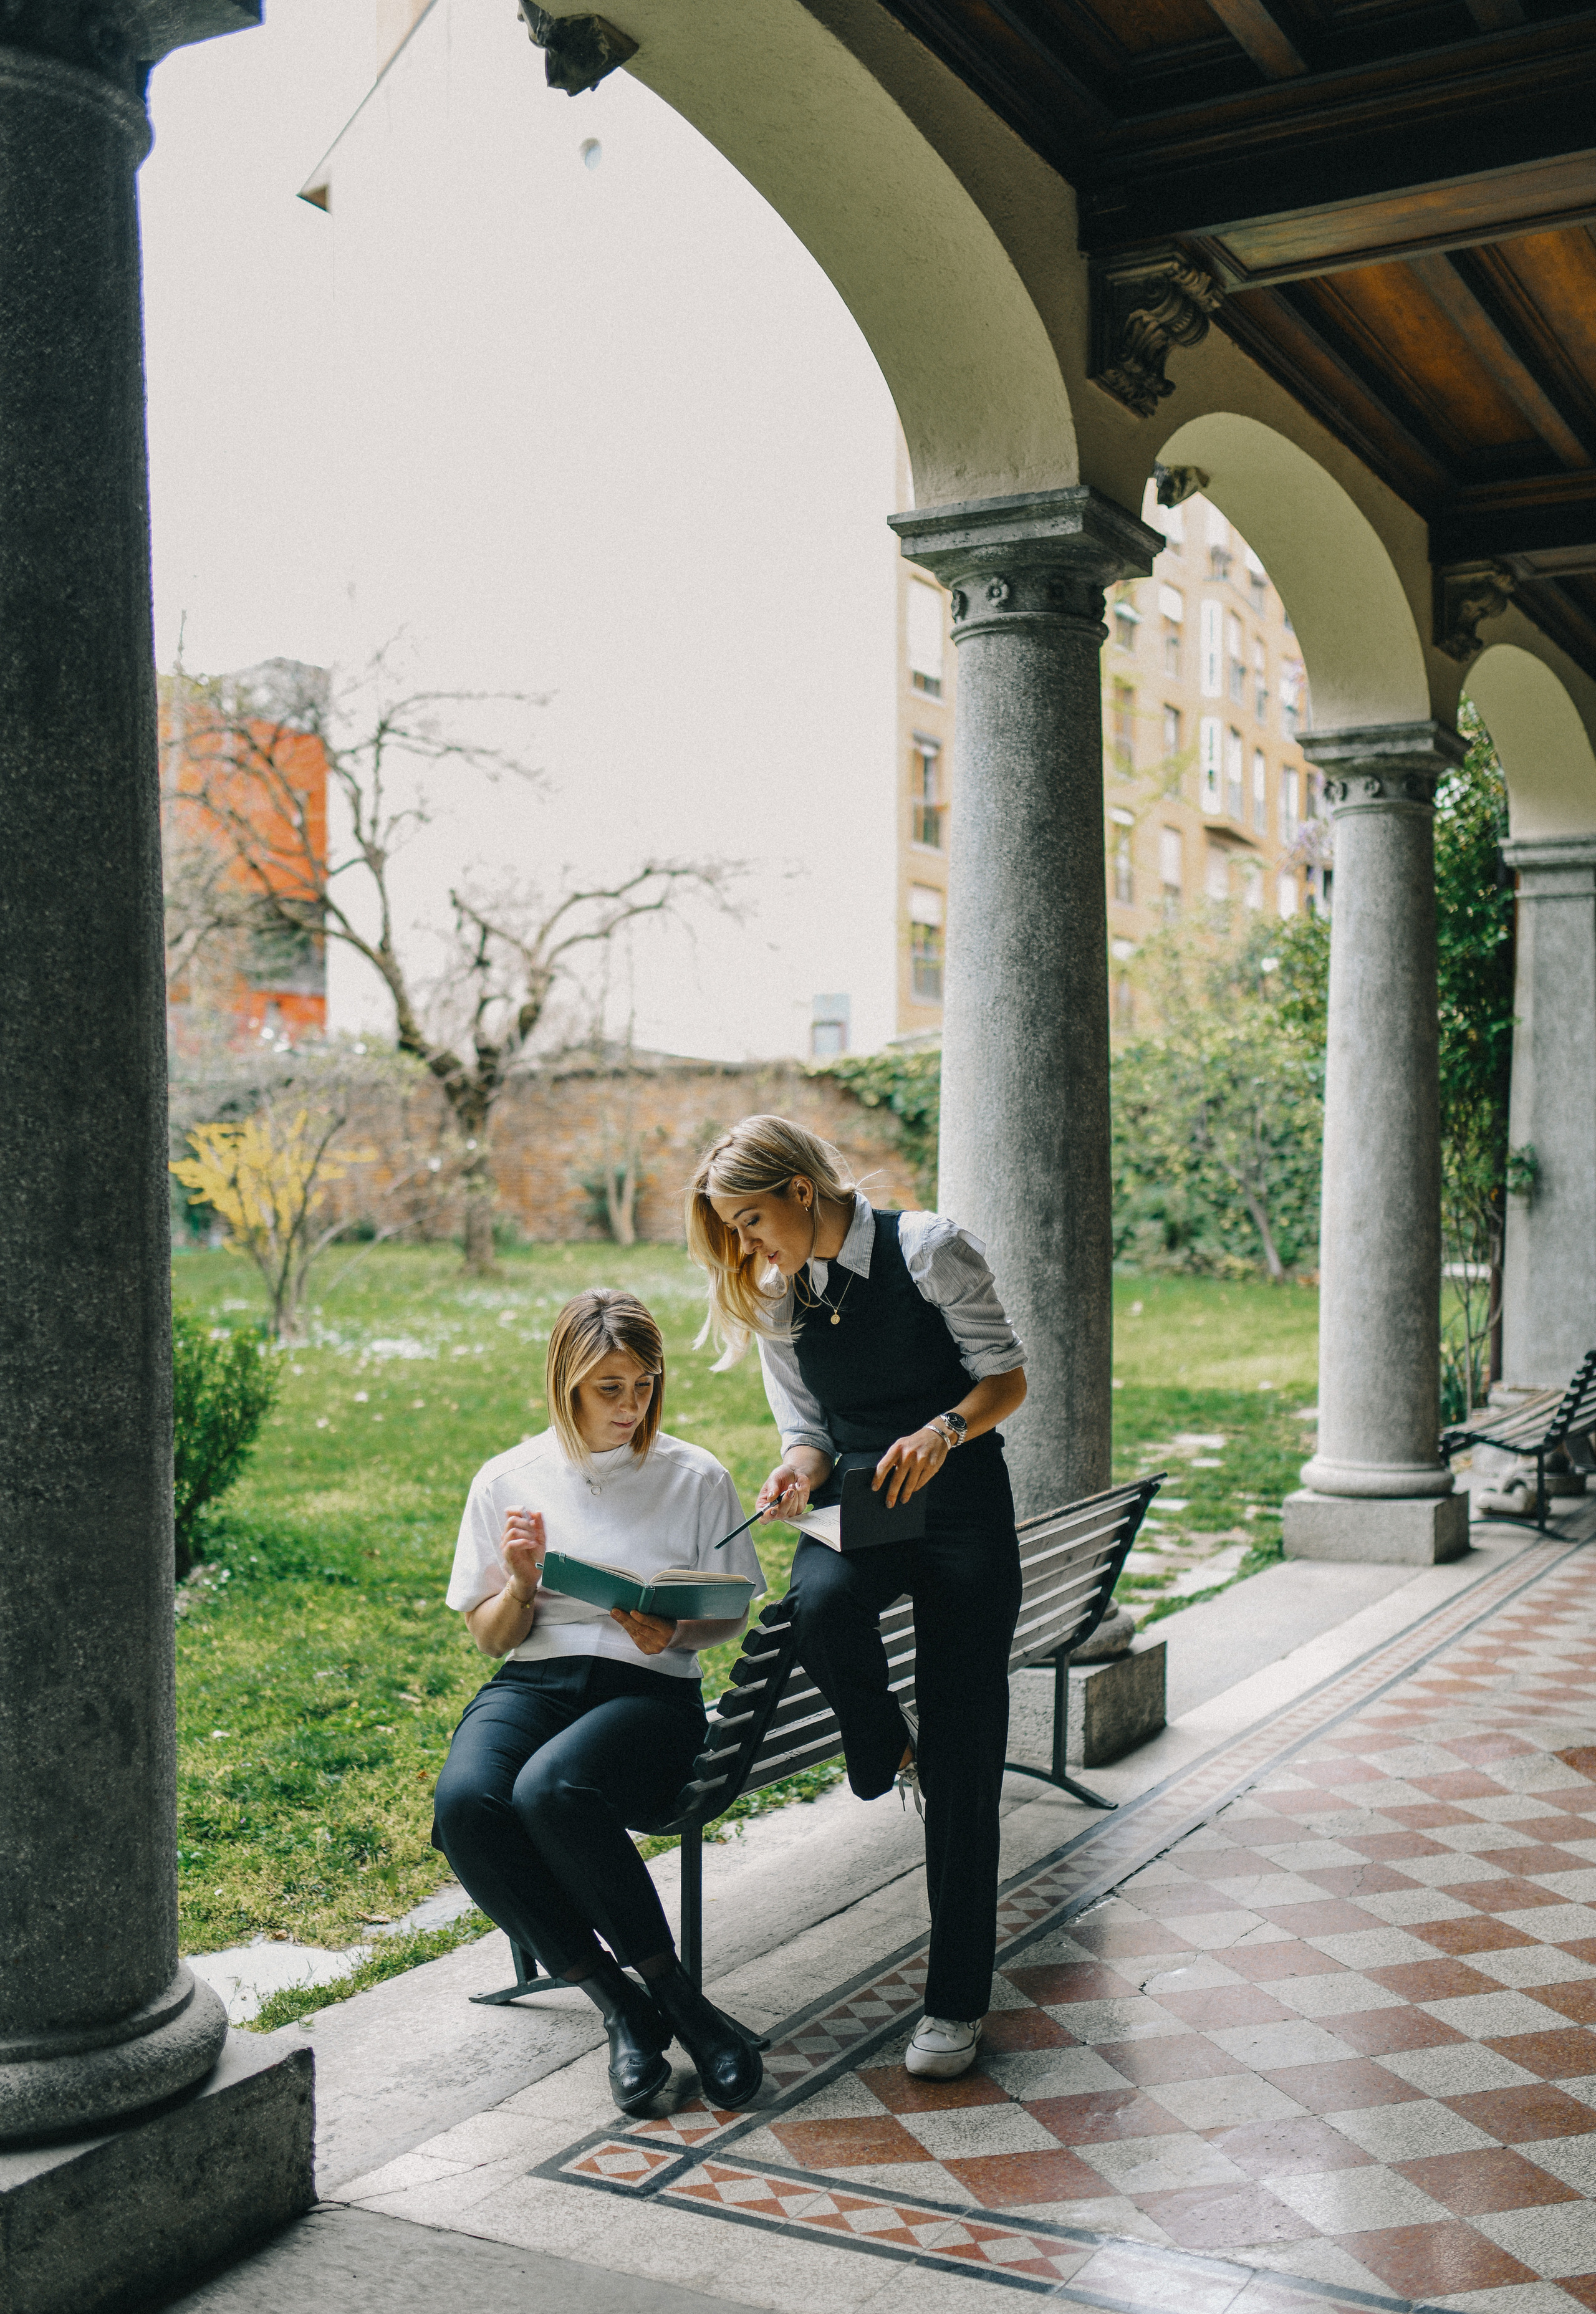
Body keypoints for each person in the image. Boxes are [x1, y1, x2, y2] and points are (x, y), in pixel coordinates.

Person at [686, 1116, 1027, 2083]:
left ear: (801, 1190)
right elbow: (808, 1429)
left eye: (753, 1222)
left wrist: (943, 1432)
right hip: (861, 1512)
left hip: (959, 1507)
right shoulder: (776, 1294)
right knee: (818, 1610)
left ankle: (955, 2006)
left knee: (968, 1776)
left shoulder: (931, 1249)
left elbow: (1005, 1380)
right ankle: (887, 1749)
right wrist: (795, 1471)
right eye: (735, 1233)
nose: (750, 1249)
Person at [433, 1287, 767, 2116]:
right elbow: (490, 1639)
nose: (630, 1406)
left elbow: (729, 1609)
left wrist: (676, 1635)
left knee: (553, 1788)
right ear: (566, 1383)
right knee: (466, 1804)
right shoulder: (507, 1478)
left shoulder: (694, 1477)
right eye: (608, 1388)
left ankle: (684, 2005)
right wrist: (518, 1584)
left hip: (649, 1693)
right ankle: (622, 2010)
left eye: (644, 1385)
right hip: (534, 1679)